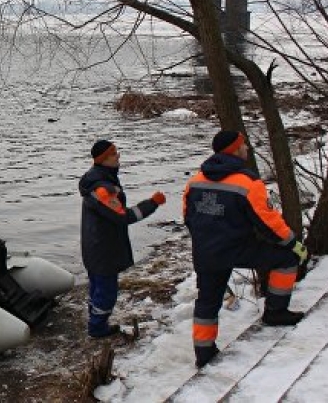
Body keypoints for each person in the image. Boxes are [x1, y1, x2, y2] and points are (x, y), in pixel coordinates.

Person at [183, 130, 307, 368]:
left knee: (207, 301)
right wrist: (293, 243)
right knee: (287, 258)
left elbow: (188, 217)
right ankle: (275, 312)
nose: (247, 148)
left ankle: (204, 353)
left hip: (205, 251)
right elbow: (268, 222)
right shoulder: (247, 182)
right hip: (238, 248)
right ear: (234, 149)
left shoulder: (195, 181)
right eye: (244, 145)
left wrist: (206, 239)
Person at [79, 139, 166, 338]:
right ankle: (97, 328)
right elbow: (123, 216)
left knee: (97, 287)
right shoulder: (102, 189)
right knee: (106, 291)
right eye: (113, 153)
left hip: (95, 244)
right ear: (103, 159)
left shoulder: (99, 179)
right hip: (103, 249)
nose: (118, 156)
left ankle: (95, 321)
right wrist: (152, 203)